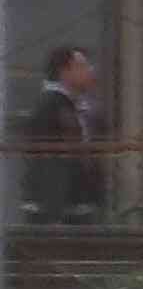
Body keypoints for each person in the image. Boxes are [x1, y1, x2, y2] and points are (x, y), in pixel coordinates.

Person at [22, 44, 106, 222]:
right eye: (81, 66)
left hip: (75, 201)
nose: (90, 72)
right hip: (58, 207)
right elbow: (49, 157)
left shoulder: (77, 106)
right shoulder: (51, 106)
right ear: (64, 72)